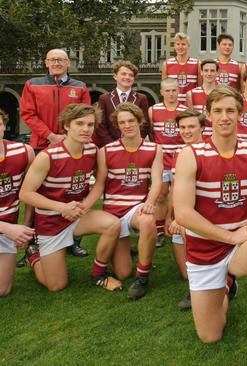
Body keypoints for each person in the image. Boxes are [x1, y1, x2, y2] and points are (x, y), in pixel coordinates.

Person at [174, 86, 247, 365]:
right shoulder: (191, 154)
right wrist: (228, 236)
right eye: (218, 111)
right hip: (206, 248)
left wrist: (245, 232)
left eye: (230, 111)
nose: (224, 117)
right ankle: (225, 285)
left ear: (240, 114)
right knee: (210, 335)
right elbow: (184, 214)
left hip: (242, 241)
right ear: (208, 115)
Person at [19, 104, 122, 292]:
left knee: (113, 224)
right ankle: (33, 255)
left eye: (90, 124)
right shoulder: (48, 156)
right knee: (56, 286)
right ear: (67, 125)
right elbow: (25, 193)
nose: (86, 129)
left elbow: (99, 185)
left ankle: (99, 274)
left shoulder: (92, 150)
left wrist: (83, 207)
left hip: (77, 215)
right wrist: (62, 208)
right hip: (51, 222)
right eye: (80, 123)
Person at [20, 48, 91, 258]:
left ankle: (73, 240)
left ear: (68, 62)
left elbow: (85, 115)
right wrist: (50, 135)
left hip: (73, 146)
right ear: (46, 62)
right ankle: (33, 241)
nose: (57, 63)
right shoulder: (33, 84)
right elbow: (28, 114)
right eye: (53, 60)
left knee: (76, 190)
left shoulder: (80, 87)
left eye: (61, 59)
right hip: (43, 145)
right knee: (38, 194)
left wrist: (69, 138)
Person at [97, 103, 163, 300]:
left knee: (148, 221)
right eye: (122, 122)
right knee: (122, 272)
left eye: (131, 121)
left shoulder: (154, 148)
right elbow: (100, 185)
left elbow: (157, 181)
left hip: (136, 208)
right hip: (112, 212)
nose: (127, 125)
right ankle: (125, 250)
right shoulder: (106, 150)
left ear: (140, 121)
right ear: (117, 125)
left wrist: (150, 201)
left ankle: (143, 277)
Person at [167, 109, 207, 310]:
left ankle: (205, 288)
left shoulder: (209, 151)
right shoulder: (177, 153)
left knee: (196, 271)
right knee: (186, 273)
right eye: (182, 127)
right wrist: (170, 216)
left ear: (202, 128)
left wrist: (183, 219)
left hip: (206, 216)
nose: (186, 131)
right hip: (183, 214)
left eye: (191, 126)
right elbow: (174, 188)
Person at [0, 109, 37, 296]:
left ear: (4, 126)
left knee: (3, 290)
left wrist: (25, 225)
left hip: (9, 231)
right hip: (7, 229)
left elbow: (30, 193)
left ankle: (33, 255)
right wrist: (7, 228)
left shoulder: (23, 151)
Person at [148, 79, 188, 243]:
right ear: (162, 92)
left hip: (179, 160)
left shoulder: (185, 110)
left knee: (179, 195)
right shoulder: (153, 110)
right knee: (161, 195)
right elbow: (151, 134)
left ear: (178, 91)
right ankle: (158, 232)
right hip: (162, 160)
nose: (171, 94)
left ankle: (177, 225)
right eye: (168, 91)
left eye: (174, 90)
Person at [96, 60, 150, 147]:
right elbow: (100, 125)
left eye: (131, 75)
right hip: (111, 146)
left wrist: (133, 142)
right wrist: (112, 145)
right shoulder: (104, 98)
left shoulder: (141, 98)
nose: (127, 77)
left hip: (134, 146)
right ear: (115, 76)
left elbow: (144, 124)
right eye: (124, 74)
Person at [161, 32, 201, 104]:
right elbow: (165, 88)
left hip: (191, 105)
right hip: (173, 105)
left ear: (188, 46)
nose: (180, 47)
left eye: (183, 44)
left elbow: (200, 88)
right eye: (178, 44)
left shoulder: (197, 64)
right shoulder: (167, 64)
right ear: (174, 46)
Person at [186, 59, 219, 138]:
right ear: (201, 72)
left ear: (217, 73)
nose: (209, 74)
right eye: (206, 70)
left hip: (218, 137)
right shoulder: (191, 94)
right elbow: (191, 120)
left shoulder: (223, 93)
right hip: (199, 139)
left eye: (212, 71)